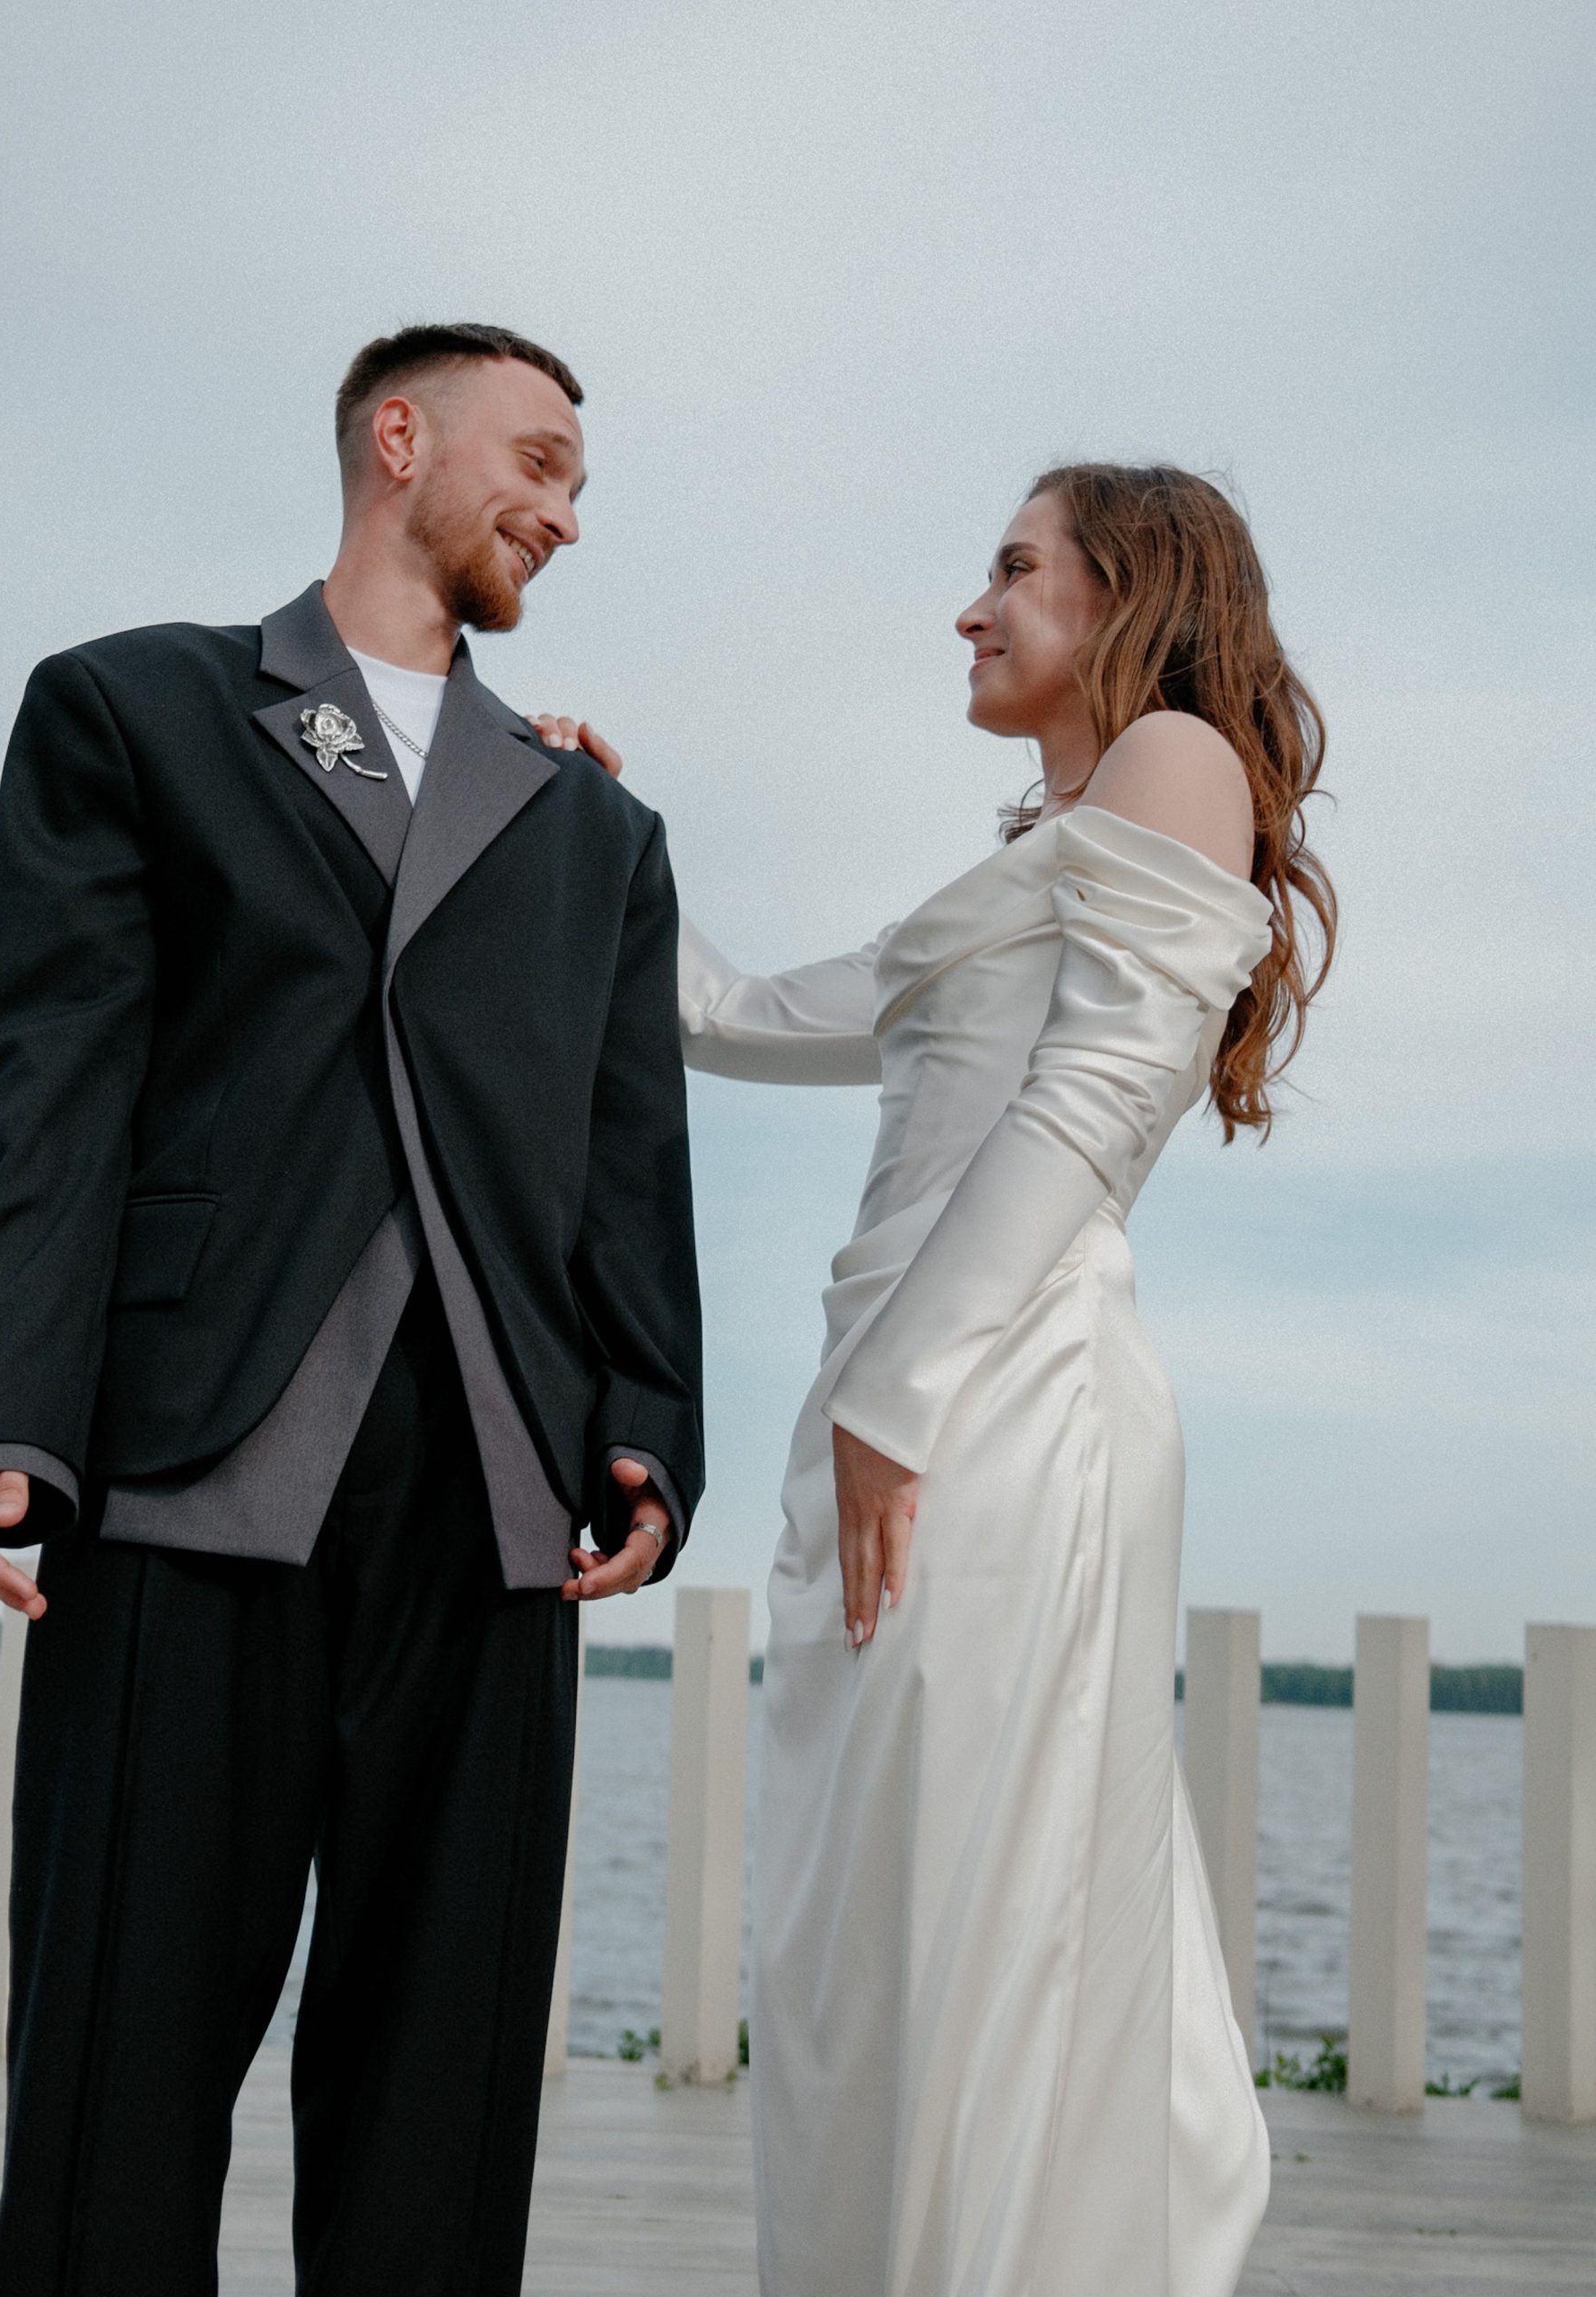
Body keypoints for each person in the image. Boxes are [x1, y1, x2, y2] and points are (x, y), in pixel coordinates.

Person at [0, 322, 704, 2297]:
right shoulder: (135, 708)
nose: (565, 512)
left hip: (497, 1491)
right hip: (192, 1456)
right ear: (399, 437)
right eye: (540, 461)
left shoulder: (595, 827)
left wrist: (647, 1414)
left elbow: (628, 1153)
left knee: (443, 2094)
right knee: (118, 2058)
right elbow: (50, 1076)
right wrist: (9, 1400)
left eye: (582, 484)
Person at [533, 462, 1335, 2296]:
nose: (972, 609)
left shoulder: (1180, 759)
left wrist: (895, 1401)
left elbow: (1092, 1095)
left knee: (994, 1907)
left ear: (1130, 591)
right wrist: (600, 827)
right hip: (895, 1414)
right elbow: (732, 1014)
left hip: (1007, 1404)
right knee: (872, 1922)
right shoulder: (1026, 861)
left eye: (1015, 569)